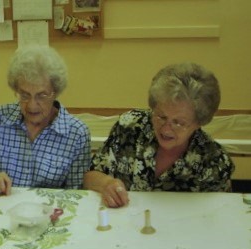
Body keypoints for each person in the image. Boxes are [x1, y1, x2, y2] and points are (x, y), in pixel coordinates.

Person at [84, 62, 235, 208]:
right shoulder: (130, 127)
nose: (166, 129)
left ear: (198, 123)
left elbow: (221, 212)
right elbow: (90, 176)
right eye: (161, 116)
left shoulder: (214, 160)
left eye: (179, 123)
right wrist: (106, 184)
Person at [0, 45, 91, 195]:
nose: (32, 105)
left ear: (55, 92)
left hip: (49, 214)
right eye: (25, 95)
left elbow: (78, 194)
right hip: (2, 211)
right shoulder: (0, 118)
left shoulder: (76, 133)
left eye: (41, 95)